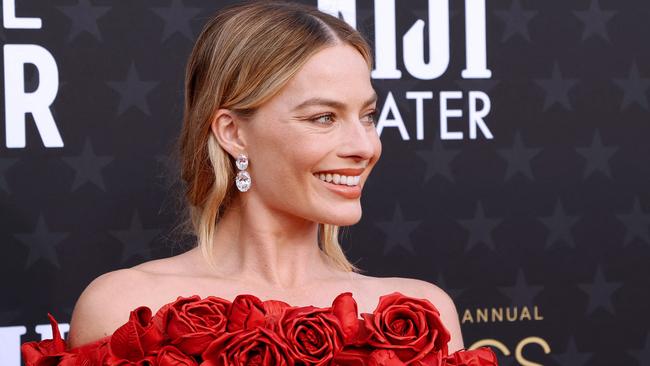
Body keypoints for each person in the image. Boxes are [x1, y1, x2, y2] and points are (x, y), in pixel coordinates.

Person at [22, 1, 497, 364]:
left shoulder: (420, 316)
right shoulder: (126, 310)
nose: (364, 146)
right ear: (232, 132)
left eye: (368, 116)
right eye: (324, 117)